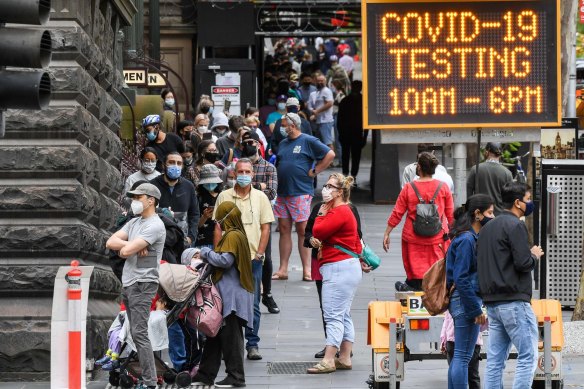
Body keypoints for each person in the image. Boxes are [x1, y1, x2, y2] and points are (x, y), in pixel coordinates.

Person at [477, 182, 544, 388]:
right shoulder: (516, 225)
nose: (530, 203)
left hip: (493, 303)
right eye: (528, 198)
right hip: (514, 301)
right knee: (528, 356)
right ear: (517, 202)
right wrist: (533, 255)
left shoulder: (487, 228)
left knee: (495, 361)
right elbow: (523, 263)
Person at [105, 183, 166, 389]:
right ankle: (147, 379)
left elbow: (122, 251)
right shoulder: (134, 223)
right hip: (130, 282)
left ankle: (149, 382)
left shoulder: (155, 225)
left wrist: (129, 247)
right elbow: (110, 242)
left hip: (144, 284)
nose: (134, 201)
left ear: (151, 200)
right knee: (135, 333)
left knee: (140, 333)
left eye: (138, 197)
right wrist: (132, 244)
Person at [213, 159, 275, 361]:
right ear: (234, 174)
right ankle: (228, 344)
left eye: (247, 171)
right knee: (226, 302)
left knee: (253, 303)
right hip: (228, 258)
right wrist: (217, 255)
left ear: (253, 174)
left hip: (252, 259)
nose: (243, 174)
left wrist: (259, 254)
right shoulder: (224, 196)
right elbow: (218, 227)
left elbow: (265, 227)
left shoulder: (260, 198)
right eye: (240, 171)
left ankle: (252, 343)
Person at [307, 173, 367, 374]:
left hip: (338, 268)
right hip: (346, 268)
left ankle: (328, 359)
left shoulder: (339, 211)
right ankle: (344, 357)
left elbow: (318, 231)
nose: (326, 189)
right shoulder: (343, 210)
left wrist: (321, 214)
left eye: (331, 186)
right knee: (344, 314)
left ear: (340, 191)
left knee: (332, 315)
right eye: (326, 185)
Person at [191, 202, 255, 388]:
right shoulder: (237, 234)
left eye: (219, 218)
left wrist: (205, 251)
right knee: (215, 335)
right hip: (229, 295)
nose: (217, 222)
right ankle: (205, 374)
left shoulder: (233, 235)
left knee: (231, 338)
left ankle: (236, 377)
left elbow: (225, 261)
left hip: (232, 297)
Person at [273, 113, 335, 281]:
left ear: (293, 125)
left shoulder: (308, 140)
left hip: (300, 191)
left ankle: (307, 269)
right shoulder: (283, 143)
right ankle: (283, 269)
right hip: (283, 192)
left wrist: (316, 171)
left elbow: (330, 154)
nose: (282, 127)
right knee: (284, 229)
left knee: (303, 230)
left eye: (284, 124)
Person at [383, 152, 454, 291]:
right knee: (435, 265)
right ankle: (433, 288)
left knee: (414, 265)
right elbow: (450, 215)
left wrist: (387, 233)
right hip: (437, 237)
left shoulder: (409, 188)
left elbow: (397, 212)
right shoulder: (443, 187)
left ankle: (414, 285)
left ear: (419, 167)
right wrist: (454, 234)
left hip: (413, 237)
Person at [445, 194, 493, 389]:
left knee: (460, 355)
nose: (493, 216)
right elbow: (462, 278)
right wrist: (475, 309)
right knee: (463, 356)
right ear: (478, 214)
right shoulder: (467, 240)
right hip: (465, 301)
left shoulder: (466, 237)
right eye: (490, 212)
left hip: (462, 301)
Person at [150, 152, 200, 247]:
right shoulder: (152, 185)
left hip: (183, 241)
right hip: (158, 240)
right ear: (164, 165)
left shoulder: (188, 186)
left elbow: (194, 213)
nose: (175, 166)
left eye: (179, 163)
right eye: (171, 162)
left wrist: (191, 237)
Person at [467, 142, 513, 215]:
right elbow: (510, 198)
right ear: (500, 155)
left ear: (486, 152)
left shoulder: (475, 169)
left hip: (479, 214)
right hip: (499, 215)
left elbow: (469, 194)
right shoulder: (507, 173)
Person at [440, 311, 484, 389]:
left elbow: (446, 321)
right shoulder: (472, 303)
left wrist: (443, 340)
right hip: (471, 341)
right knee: (473, 376)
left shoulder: (452, 302)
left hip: (451, 340)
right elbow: (481, 324)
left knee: (454, 371)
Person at [337, 80, 368, 184]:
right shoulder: (364, 101)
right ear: (361, 88)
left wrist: (340, 134)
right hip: (357, 133)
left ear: (351, 87)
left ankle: (345, 175)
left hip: (345, 133)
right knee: (356, 156)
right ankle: (353, 176)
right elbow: (366, 120)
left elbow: (339, 120)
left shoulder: (345, 100)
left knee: (345, 155)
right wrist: (365, 136)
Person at [196, 164, 223, 249]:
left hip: (221, 240)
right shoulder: (198, 197)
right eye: (207, 182)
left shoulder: (223, 195)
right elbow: (196, 225)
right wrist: (204, 217)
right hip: (203, 241)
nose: (210, 184)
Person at [308, 74, 335, 150]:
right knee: (321, 142)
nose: (320, 82)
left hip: (325, 121)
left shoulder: (326, 91)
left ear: (325, 81)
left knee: (327, 142)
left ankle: (330, 161)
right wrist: (315, 114)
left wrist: (317, 111)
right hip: (319, 121)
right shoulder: (318, 92)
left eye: (322, 81)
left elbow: (330, 103)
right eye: (318, 81)